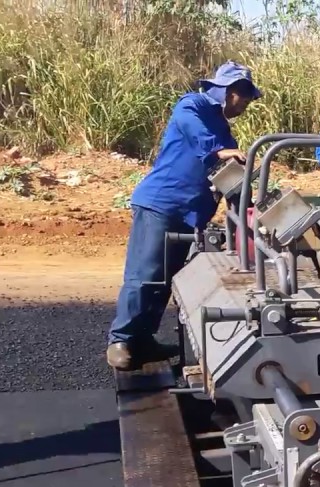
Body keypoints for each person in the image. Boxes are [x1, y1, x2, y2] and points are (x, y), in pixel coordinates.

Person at [105, 61, 261, 371]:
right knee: (144, 276)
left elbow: (229, 175)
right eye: (245, 97)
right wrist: (220, 151)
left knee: (164, 281)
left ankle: (143, 340)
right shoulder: (192, 106)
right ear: (231, 92)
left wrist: (246, 205)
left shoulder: (222, 128)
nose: (246, 104)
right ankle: (120, 340)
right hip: (162, 204)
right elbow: (200, 137)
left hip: (191, 213)